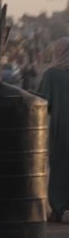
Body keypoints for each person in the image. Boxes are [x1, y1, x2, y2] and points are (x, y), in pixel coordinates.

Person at [38, 36, 69, 223]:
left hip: (61, 129)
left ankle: (58, 209)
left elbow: (43, 103)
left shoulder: (51, 74)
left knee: (59, 168)